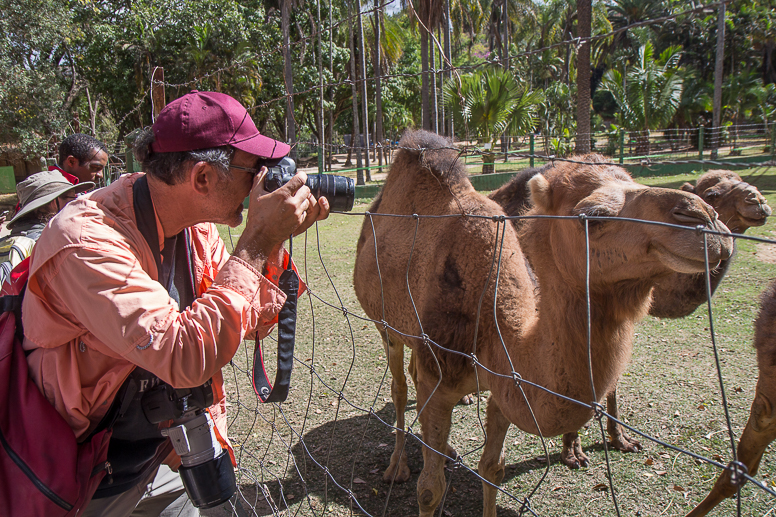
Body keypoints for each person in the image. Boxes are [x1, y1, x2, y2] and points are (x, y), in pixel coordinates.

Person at [21, 90, 329, 516]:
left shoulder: (193, 228)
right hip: (78, 476)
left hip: (161, 457)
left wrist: (270, 241)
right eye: (253, 168)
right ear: (202, 178)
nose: (263, 179)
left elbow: (255, 320)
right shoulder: (85, 240)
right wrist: (256, 240)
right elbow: (185, 356)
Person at [0, 170, 94, 284]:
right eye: (72, 198)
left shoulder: (7, 242)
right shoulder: (50, 244)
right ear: (54, 202)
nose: (76, 203)